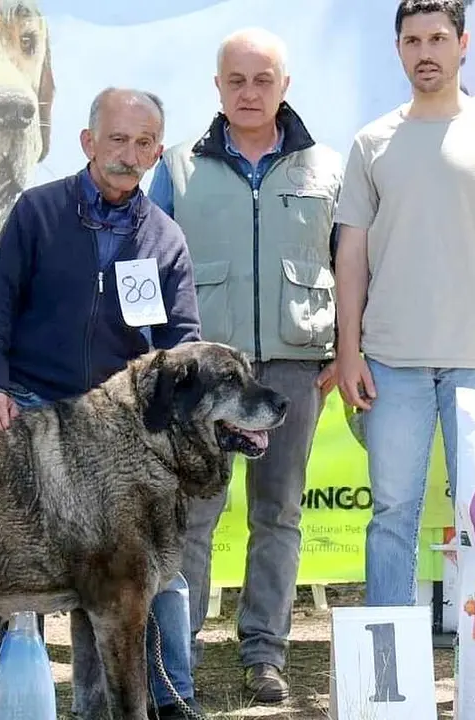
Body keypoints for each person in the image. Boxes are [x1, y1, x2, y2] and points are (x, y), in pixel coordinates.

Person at [0, 87, 204, 719]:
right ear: (88, 141)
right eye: (117, 139)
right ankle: (25, 698)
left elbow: (182, 343)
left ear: (157, 153)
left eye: (144, 143)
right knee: (24, 561)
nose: (129, 154)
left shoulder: (166, 238)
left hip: (118, 431)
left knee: (148, 568)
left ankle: (167, 697)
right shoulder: (37, 212)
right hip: (30, 412)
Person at [333, 0, 475, 608]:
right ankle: (388, 652)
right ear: (398, 49)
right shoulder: (371, 143)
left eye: (437, 39)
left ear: (463, 43)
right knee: (391, 513)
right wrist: (348, 350)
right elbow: (351, 255)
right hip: (391, 360)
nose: (425, 52)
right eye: (413, 41)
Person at [148, 27, 341, 704]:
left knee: (277, 514)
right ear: (218, 87)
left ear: (285, 86)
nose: (250, 92)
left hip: (291, 367)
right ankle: (178, 658)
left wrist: (342, 350)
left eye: (263, 80)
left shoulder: (327, 167)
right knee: (193, 517)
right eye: (237, 81)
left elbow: (352, 266)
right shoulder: (176, 168)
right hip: (203, 381)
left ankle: (265, 654)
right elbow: (149, 266)